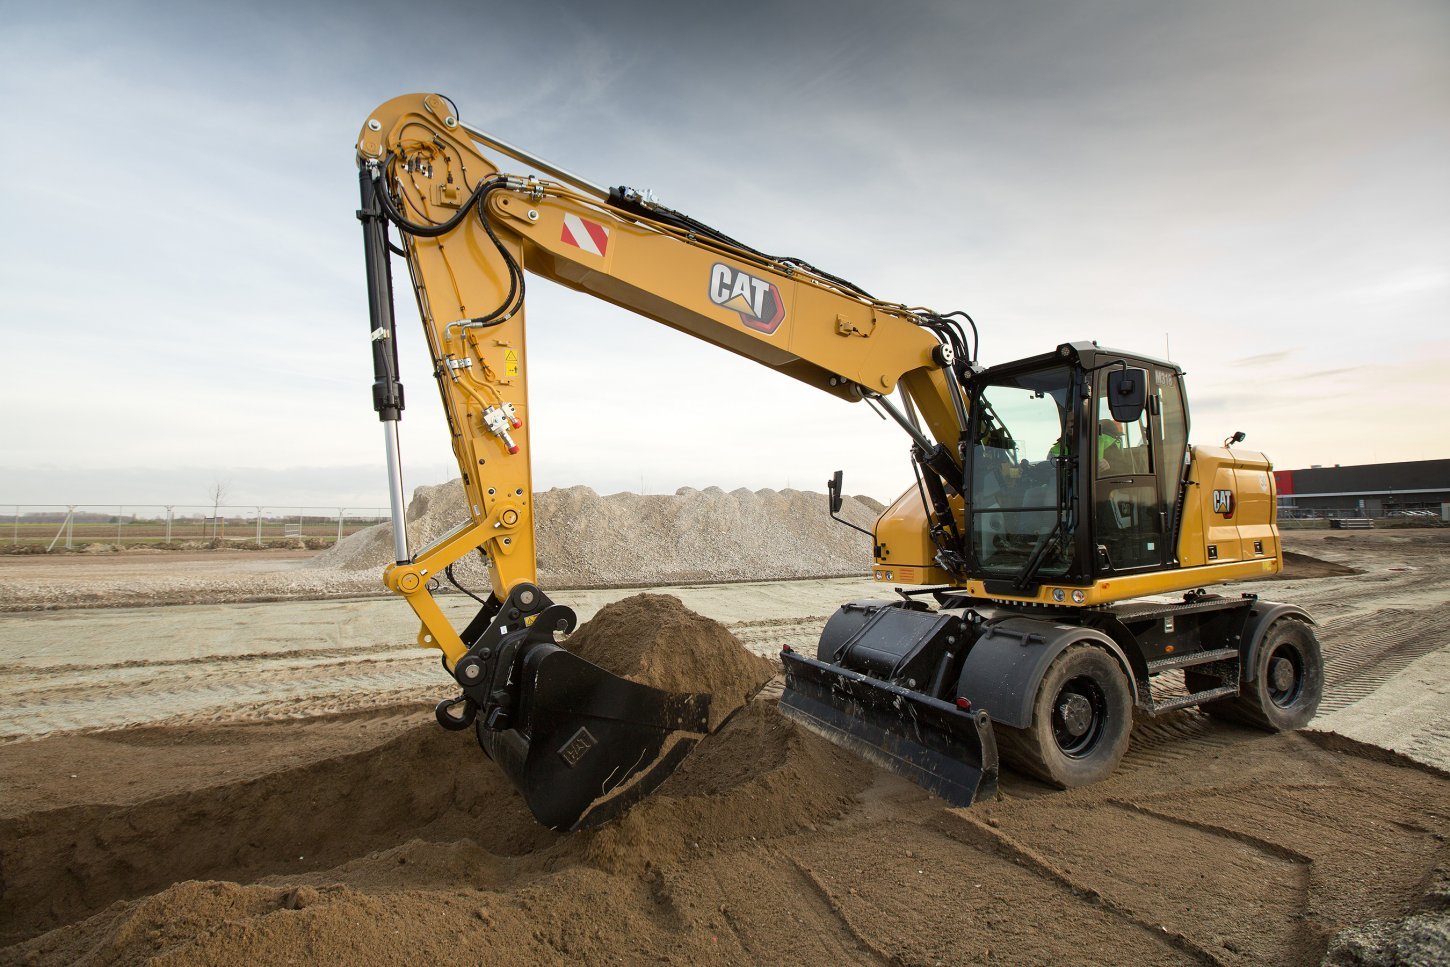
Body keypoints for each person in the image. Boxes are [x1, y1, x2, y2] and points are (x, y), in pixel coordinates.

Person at [1047, 421, 1124, 473]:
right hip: (1067, 492)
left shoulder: (1104, 441)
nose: (1070, 425)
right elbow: (1049, 473)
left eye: (1073, 421)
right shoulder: (1055, 450)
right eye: (1067, 422)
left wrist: (1109, 464)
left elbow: (1123, 468)